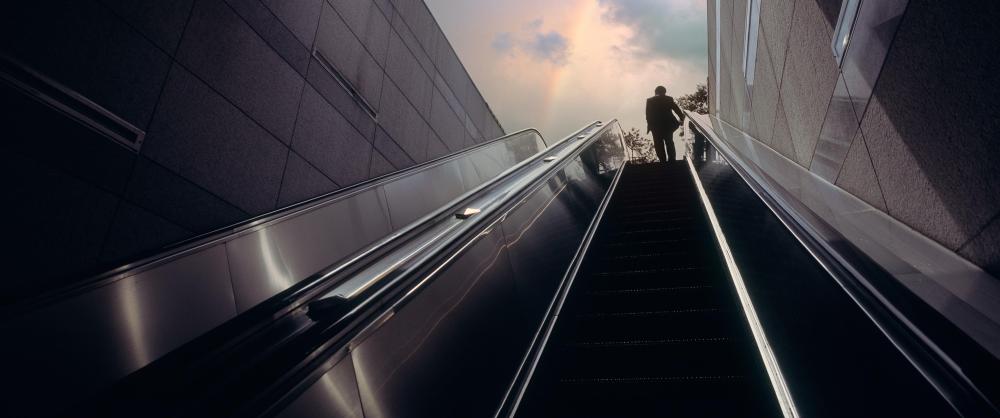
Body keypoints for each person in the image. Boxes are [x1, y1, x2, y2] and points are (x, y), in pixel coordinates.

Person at [645, 85, 685, 162]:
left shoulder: (650, 100)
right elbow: (676, 109)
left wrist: (649, 126)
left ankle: (662, 160)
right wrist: (682, 118)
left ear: (655, 92)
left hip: (656, 126)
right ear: (664, 92)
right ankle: (672, 159)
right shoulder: (668, 99)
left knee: (658, 143)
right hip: (668, 125)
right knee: (669, 141)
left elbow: (648, 115)